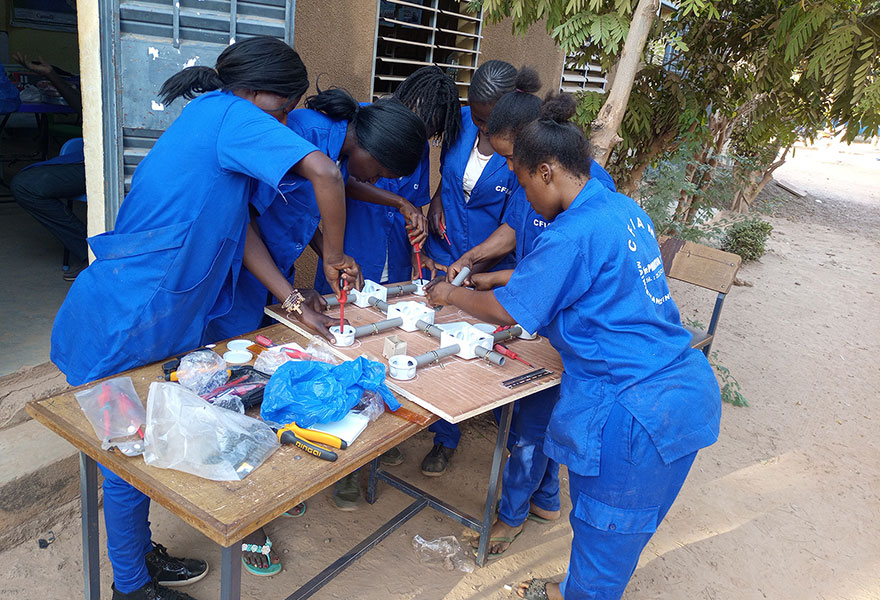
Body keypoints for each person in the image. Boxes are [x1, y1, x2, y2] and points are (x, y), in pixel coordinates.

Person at [51, 37, 360, 599]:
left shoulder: (216, 121)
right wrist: (334, 257)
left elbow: (237, 229)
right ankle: (130, 587)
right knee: (129, 453)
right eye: (285, 108)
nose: (285, 122)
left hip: (146, 312)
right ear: (262, 94)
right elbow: (328, 175)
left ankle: (137, 557)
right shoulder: (231, 115)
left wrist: (292, 300)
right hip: (127, 318)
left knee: (138, 448)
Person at [423, 94, 721, 600]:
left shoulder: (572, 233)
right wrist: (496, 275)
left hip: (633, 412)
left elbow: (508, 311)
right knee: (614, 537)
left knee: (605, 546)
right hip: (680, 387)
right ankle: (574, 587)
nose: (524, 200)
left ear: (545, 172)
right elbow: (581, 280)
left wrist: (449, 293)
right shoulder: (621, 209)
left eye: (521, 184)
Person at [319, 66, 463, 510]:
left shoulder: (420, 151)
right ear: (405, 101)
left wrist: (416, 218)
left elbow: (417, 196)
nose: (423, 138)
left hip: (394, 262)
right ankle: (348, 462)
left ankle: (377, 444)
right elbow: (343, 182)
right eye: (422, 125)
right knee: (347, 352)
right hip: (356, 252)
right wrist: (399, 202)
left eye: (431, 134)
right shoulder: (363, 124)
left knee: (390, 352)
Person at [205, 86, 428, 343]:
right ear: (372, 148)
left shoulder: (341, 156)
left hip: (273, 271)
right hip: (237, 274)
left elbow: (302, 210)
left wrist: (330, 256)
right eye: (378, 173)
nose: (373, 181)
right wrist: (295, 303)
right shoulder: (304, 136)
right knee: (230, 350)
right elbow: (242, 222)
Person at [419, 59, 523, 477]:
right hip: (447, 249)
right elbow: (449, 177)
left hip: (490, 265)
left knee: (490, 352)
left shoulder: (523, 146)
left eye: (488, 119)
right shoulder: (461, 122)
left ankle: (514, 442)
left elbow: (516, 224)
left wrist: (478, 261)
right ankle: (445, 438)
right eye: (475, 115)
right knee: (440, 343)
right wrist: (440, 201)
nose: (480, 126)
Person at [9, 53, 88, 280]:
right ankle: (88, 250)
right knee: (27, 185)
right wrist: (51, 74)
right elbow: (86, 110)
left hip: (126, 162)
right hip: (92, 158)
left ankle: (91, 253)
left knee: (26, 185)